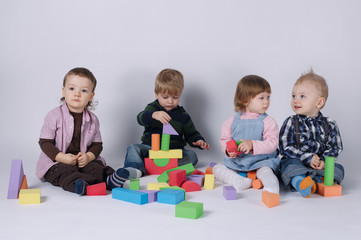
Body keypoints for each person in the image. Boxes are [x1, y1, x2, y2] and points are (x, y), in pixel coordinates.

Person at [36, 67, 138, 195]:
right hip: (57, 161)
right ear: (63, 91)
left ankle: (110, 179)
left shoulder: (93, 120)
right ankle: (80, 184)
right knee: (63, 172)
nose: (77, 94)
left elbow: (97, 145)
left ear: (91, 96)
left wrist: (88, 156)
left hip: (82, 159)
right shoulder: (53, 116)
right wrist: (61, 157)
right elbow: (45, 142)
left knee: (96, 167)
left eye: (83, 90)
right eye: (72, 88)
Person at [124, 68, 209, 176]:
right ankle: (136, 170)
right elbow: (140, 118)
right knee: (133, 148)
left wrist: (199, 141)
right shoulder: (152, 108)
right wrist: (153, 115)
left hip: (173, 153)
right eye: (165, 97)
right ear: (156, 94)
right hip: (151, 151)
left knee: (192, 156)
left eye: (175, 97)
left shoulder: (183, 115)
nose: (170, 101)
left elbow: (191, 134)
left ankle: (162, 167)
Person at [279, 69, 344, 198]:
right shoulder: (291, 122)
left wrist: (324, 161)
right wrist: (306, 157)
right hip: (298, 161)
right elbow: (285, 148)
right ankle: (300, 182)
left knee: (338, 169)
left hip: (319, 165)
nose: (296, 100)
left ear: (319, 102)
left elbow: (335, 147)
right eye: (294, 96)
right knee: (288, 166)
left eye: (302, 96)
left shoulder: (330, 124)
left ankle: (318, 182)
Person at [215, 75, 280, 194]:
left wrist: (252, 145)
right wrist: (228, 151)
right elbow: (224, 139)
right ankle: (238, 180)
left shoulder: (268, 121)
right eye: (261, 98)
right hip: (237, 162)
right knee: (217, 168)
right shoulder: (231, 121)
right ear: (245, 100)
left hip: (261, 162)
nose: (267, 102)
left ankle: (271, 187)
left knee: (266, 171)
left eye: (268, 97)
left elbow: (273, 143)